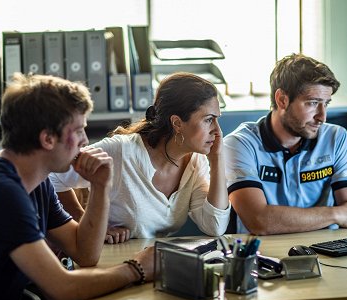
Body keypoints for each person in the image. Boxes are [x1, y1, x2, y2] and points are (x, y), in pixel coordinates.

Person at [0, 73, 154, 300]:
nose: (85, 141)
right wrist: (137, 269)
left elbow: (84, 253)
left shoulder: (36, 181)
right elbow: (61, 290)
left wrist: (100, 187)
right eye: (78, 131)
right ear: (47, 138)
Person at [50, 72, 230, 243]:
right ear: (177, 123)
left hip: (148, 264)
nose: (217, 131)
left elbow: (214, 226)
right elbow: (52, 175)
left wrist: (217, 159)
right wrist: (87, 224)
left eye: (217, 120)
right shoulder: (122, 151)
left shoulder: (196, 163)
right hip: (106, 261)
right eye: (208, 120)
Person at [224, 53, 347, 235]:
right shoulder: (239, 144)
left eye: (326, 104)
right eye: (312, 103)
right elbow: (259, 221)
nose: (322, 116)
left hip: (326, 253)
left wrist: (343, 215)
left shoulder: (336, 137)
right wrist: (337, 214)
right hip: (262, 256)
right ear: (282, 100)